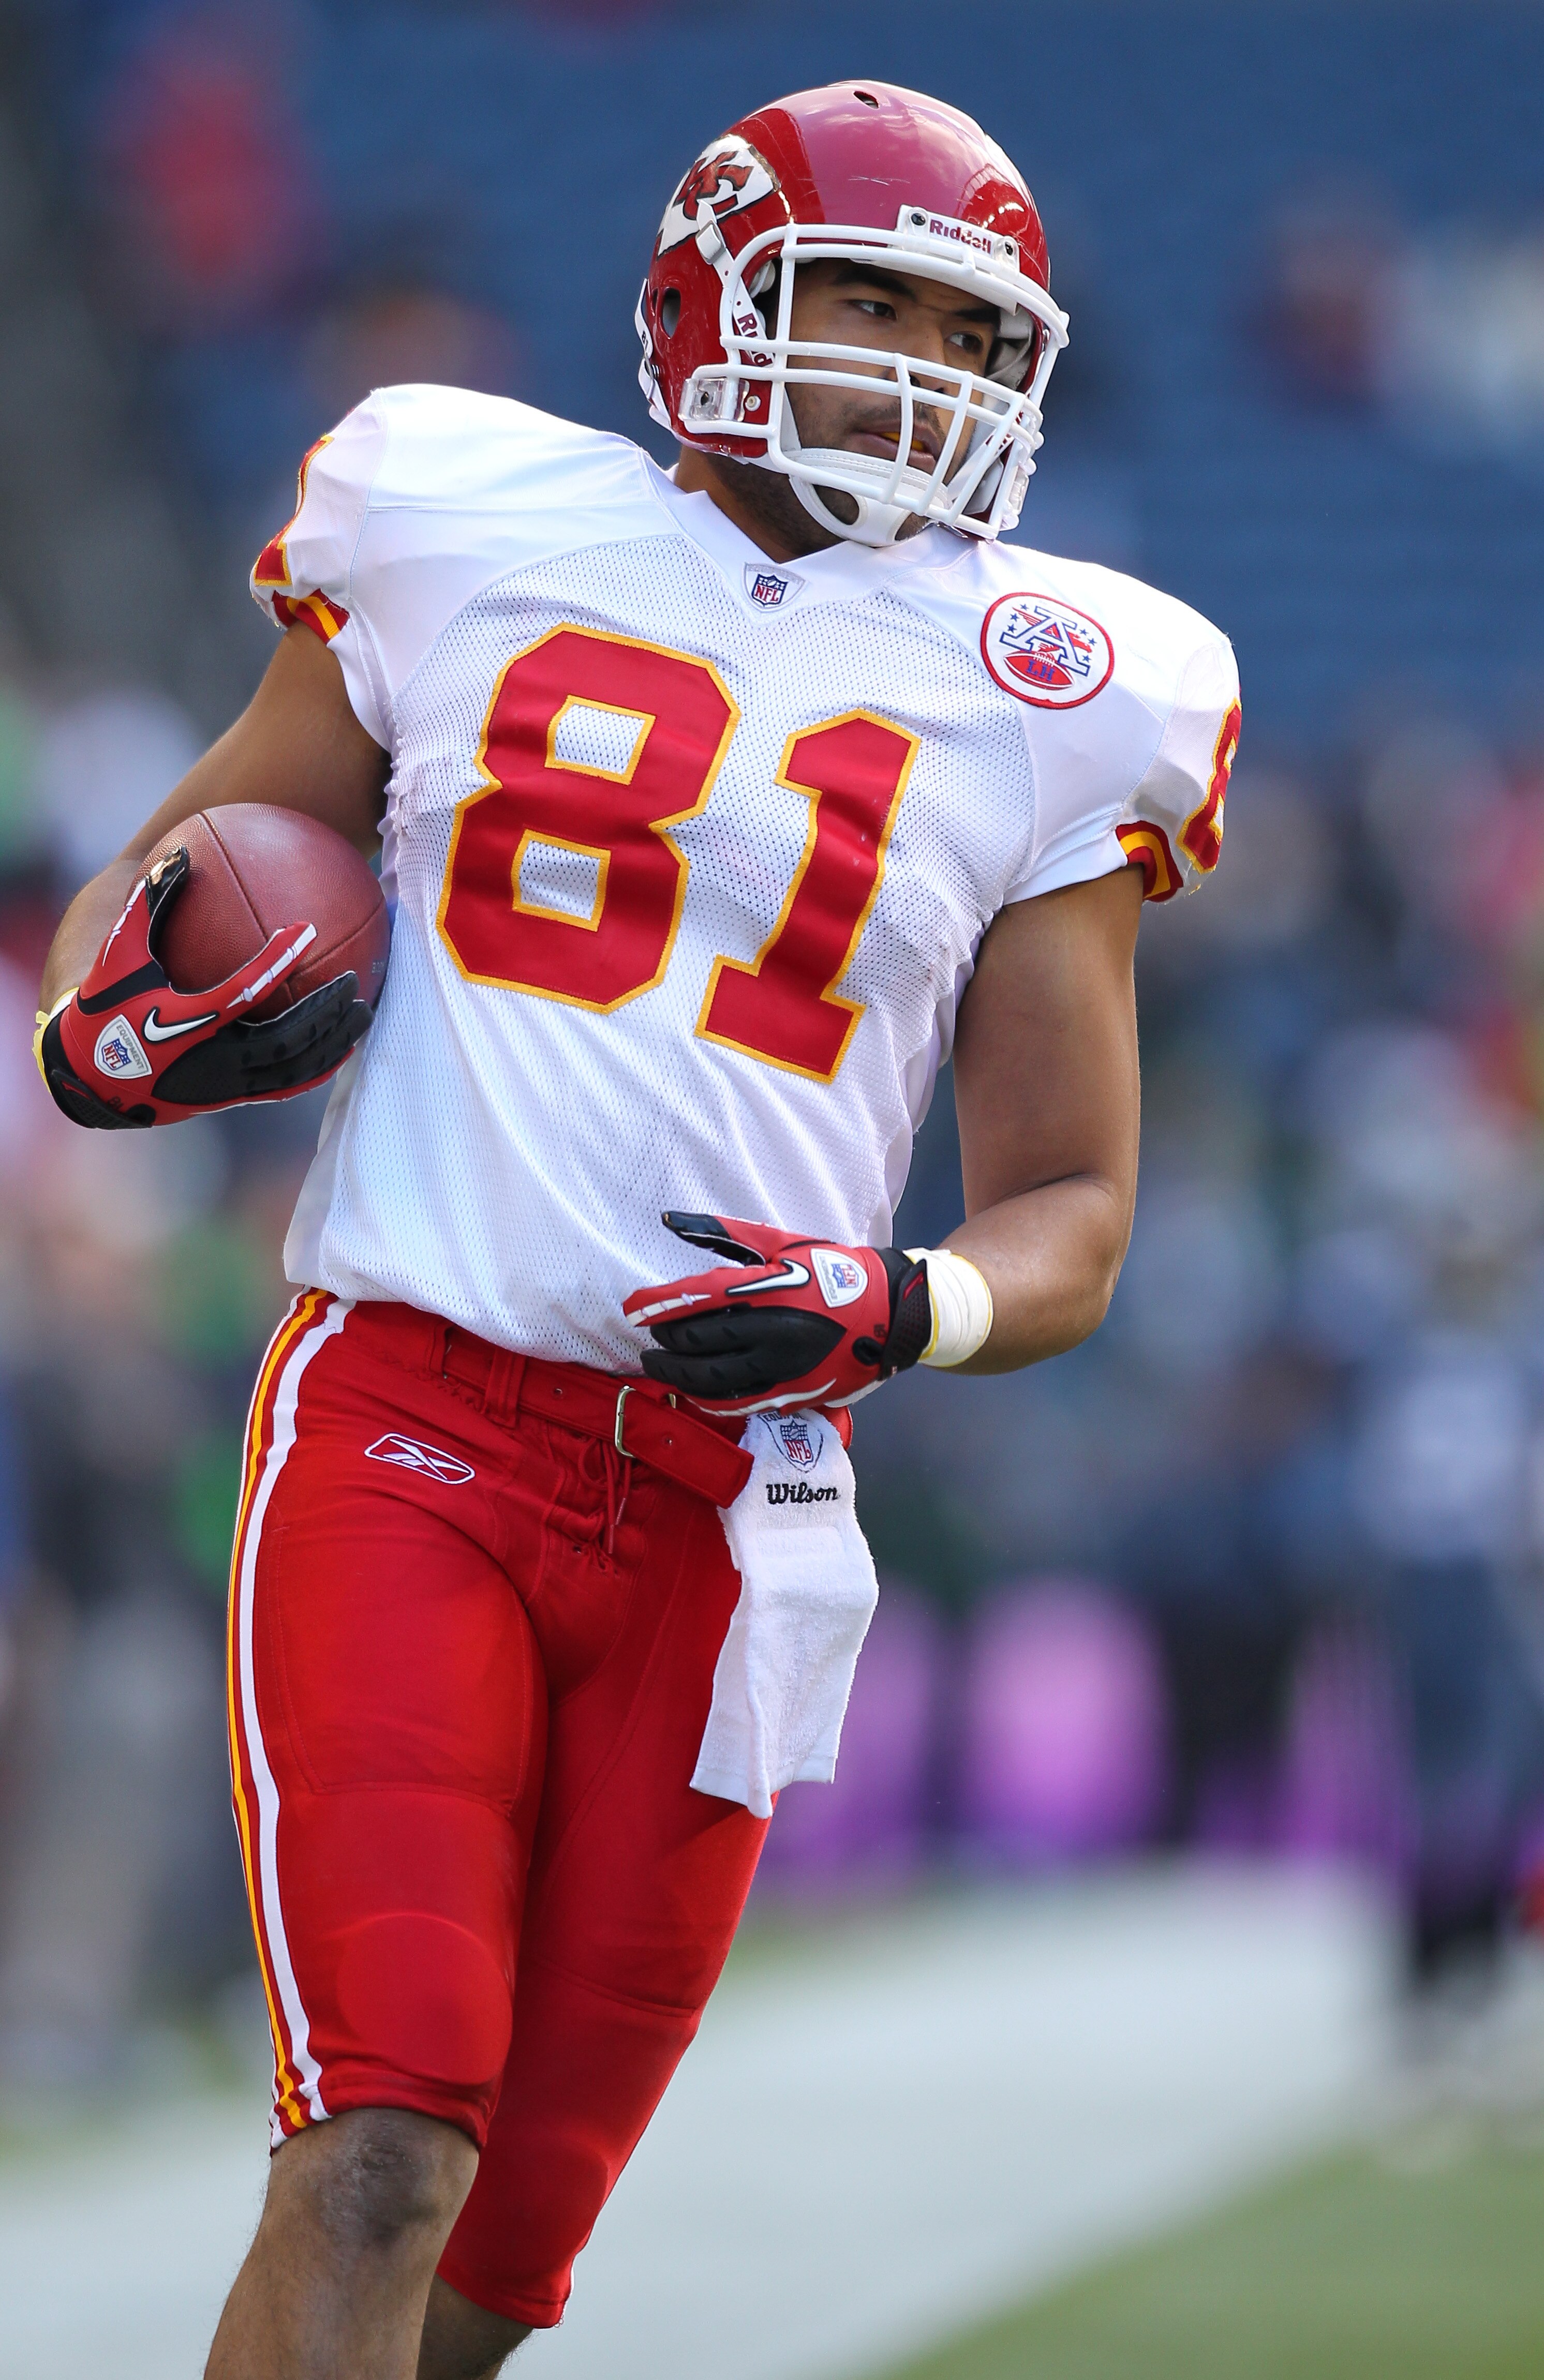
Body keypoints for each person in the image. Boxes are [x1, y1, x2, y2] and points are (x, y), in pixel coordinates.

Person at [34, 79, 1239, 2380]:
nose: (915, 369)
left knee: (492, 2270)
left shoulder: (1061, 689)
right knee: (378, 2143)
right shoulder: (450, 511)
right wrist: (117, 1033)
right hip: (408, 1413)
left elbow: (1072, 1211)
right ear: (709, 298)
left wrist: (898, 1297)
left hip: (729, 1512)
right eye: (861, 301)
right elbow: (157, 894)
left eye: (962, 331)